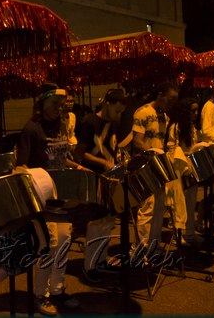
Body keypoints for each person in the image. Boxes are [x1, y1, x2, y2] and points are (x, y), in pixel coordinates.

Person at [16, 82, 81, 316]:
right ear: (42, 102)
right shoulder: (31, 129)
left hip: (62, 195)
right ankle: (39, 294)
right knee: (49, 244)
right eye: (55, 103)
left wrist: (79, 167)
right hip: (42, 197)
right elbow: (20, 166)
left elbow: (61, 160)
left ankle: (57, 289)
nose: (59, 108)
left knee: (64, 240)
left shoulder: (62, 126)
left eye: (62, 104)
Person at [73, 88, 126, 282]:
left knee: (108, 222)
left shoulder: (112, 124)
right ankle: (90, 266)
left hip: (108, 177)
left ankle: (101, 260)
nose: (119, 115)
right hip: (93, 177)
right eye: (117, 111)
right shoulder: (90, 122)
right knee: (95, 224)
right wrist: (102, 163)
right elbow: (80, 153)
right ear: (108, 104)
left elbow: (111, 147)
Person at [131, 82, 179, 251]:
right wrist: (153, 155)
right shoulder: (143, 112)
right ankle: (141, 248)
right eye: (170, 99)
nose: (171, 104)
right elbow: (137, 141)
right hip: (146, 165)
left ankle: (154, 245)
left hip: (159, 164)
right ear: (160, 94)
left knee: (159, 208)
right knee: (148, 208)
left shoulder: (163, 116)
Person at [165, 98, 204, 246]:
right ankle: (178, 234)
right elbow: (172, 148)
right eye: (192, 110)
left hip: (191, 165)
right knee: (178, 203)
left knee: (191, 200)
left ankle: (189, 232)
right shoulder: (175, 127)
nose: (195, 113)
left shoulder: (193, 127)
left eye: (196, 110)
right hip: (178, 167)